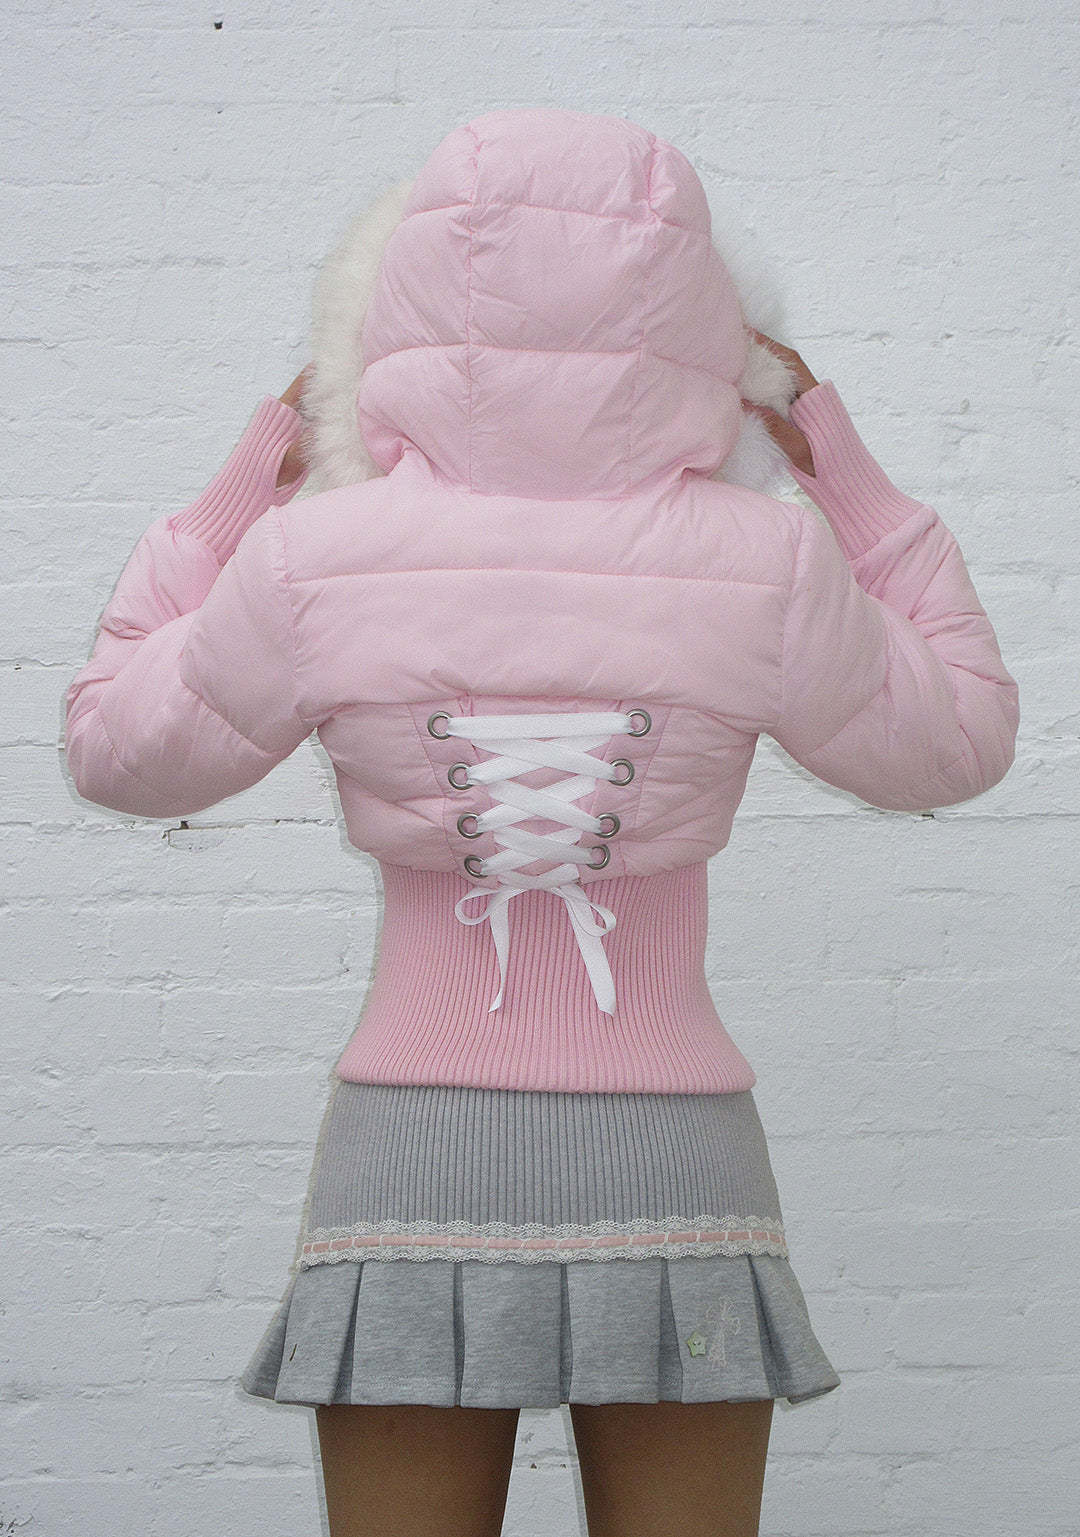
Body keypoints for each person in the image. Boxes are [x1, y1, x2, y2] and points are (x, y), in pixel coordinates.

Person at [61, 108, 1020, 1537]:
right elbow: (963, 735)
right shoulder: (768, 563)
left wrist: (256, 471)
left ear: (398, 310)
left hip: (412, 1155)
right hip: (676, 1154)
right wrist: (838, 460)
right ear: (702, 323)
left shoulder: (314, 558)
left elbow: (116, 750)